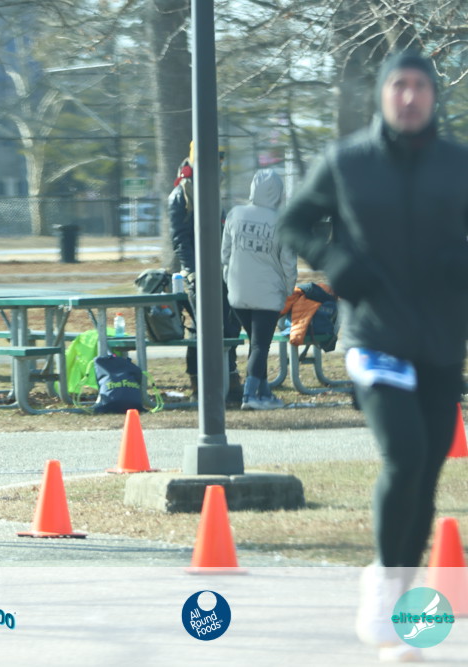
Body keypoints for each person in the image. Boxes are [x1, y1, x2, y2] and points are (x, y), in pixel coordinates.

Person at [277, 50, 468, 662]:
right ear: (383, 94)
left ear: (433, 95)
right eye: (398, 86)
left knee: (426, 475)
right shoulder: (348, 161)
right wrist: (336, 262)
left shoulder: (457, 163)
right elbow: (294, 221)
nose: (409, 97)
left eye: (419, 86)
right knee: (404, 455)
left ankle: (403, 610)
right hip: (375, 337)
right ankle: (384, 589)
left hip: (441, 342)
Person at [168, 142, 243, 402]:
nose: (219, 165)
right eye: (215, 159)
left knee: (229, 323)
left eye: (221, 160)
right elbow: (180, 239)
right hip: (197, 273)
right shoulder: (181, 195)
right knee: (204, 326)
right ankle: (199, 382)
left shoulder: (210, 190)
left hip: (220, 270)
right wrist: (191, 272)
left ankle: (229, 376)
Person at [220, 168, 296, 409]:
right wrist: (289, 289)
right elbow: (288, 262)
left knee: (256, 344)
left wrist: (229, 281)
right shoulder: (282, 222)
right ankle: (250, 396)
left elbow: (225, 254)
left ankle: (264, 394)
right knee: (260, 345)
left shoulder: (236, 214)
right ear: (278, 193)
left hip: (237, 291)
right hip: (268, 291)